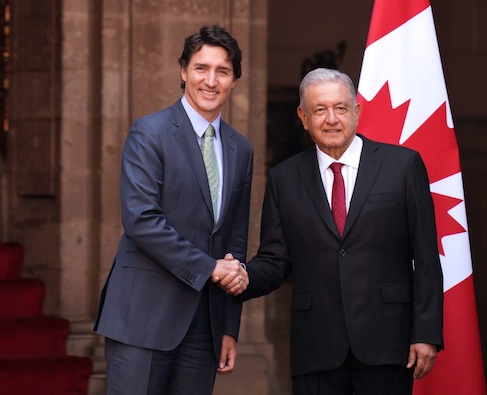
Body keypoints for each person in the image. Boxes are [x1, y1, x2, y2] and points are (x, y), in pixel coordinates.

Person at [240, 68, 443, 394]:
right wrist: (240, 277)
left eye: (340, 108)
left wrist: (426, 333)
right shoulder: (284, 179)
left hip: (387, 343)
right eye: (320, 110)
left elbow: (427, 258)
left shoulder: (402, 167)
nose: (331, 119)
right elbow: (275, 260)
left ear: (356, 112)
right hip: (316, 348)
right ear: (303, 117)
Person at [94, 25, 253, 395]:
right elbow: (142, 221)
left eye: (223, 71)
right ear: (183, 71)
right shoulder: (149, 133)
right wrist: (210, 267)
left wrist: (229, 325)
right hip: (142, 319)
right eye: (201, 68)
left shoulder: (240, 149)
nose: (210, 81)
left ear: (234, 81)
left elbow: (235, 240)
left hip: (203, 327)